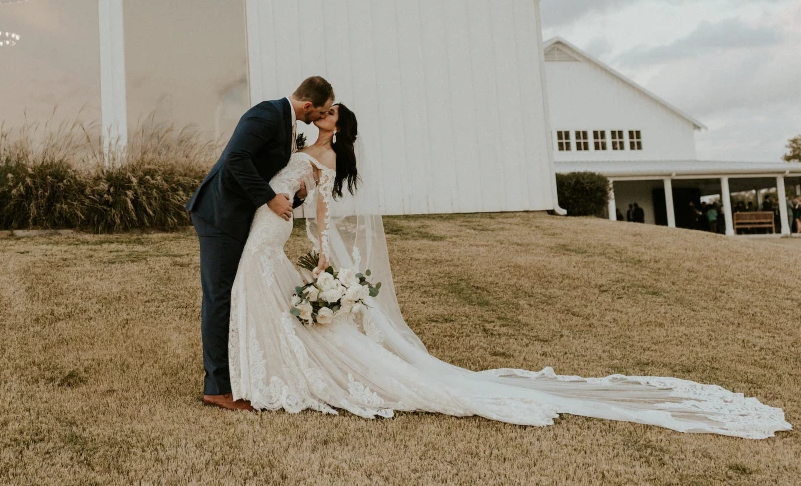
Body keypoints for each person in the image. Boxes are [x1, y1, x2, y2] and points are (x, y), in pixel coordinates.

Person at [224, 102, 790, 437]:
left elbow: (316, 209)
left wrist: (319, 249)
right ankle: (261, 372)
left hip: (272, 230)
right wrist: (307, 233)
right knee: (260, 287)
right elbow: (307, 204)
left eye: (325, 113)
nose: (319, 115)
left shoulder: (318, 154)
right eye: (320, 110)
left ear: (333, 126)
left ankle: (268, 375)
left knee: (257, 283)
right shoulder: (311, 149)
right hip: (273, 227)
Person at [187, 76, 334, 411]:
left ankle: (238, 373)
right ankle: (218, 388)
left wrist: (292, 194)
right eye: (321, 111)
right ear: (308, 105)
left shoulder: (284, 122)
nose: (320, 118)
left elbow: (264, 170)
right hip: (220, 214)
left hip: (240, 217)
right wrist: (269, 198)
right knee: (219, 295)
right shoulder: (265, 115)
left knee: (234, 291)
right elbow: (237, 159)